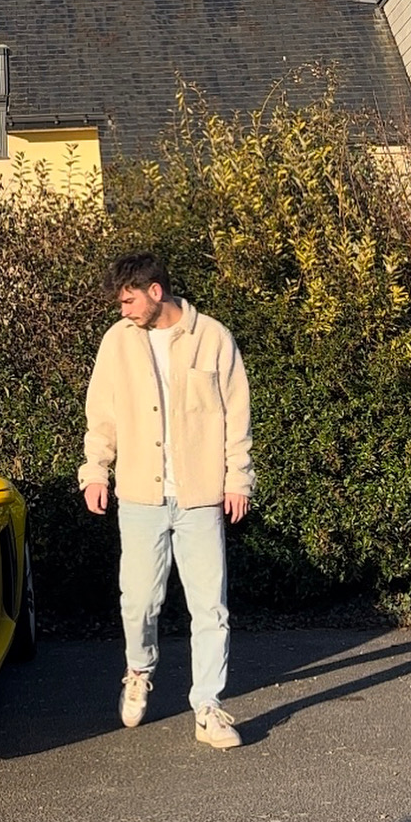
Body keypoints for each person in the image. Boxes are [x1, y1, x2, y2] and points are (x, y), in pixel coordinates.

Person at [80, 252, 253, 749]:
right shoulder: (117, 342)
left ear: (155, 291)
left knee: (210, 608)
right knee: (138, 601)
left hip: (200, 496)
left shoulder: (213, 338)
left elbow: (236, 415)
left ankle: (208, 707)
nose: (124, 310)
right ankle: (138, 671)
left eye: (129, 300)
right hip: (141, 495)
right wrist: (96, 471)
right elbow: (102, 414)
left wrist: (237, 480)